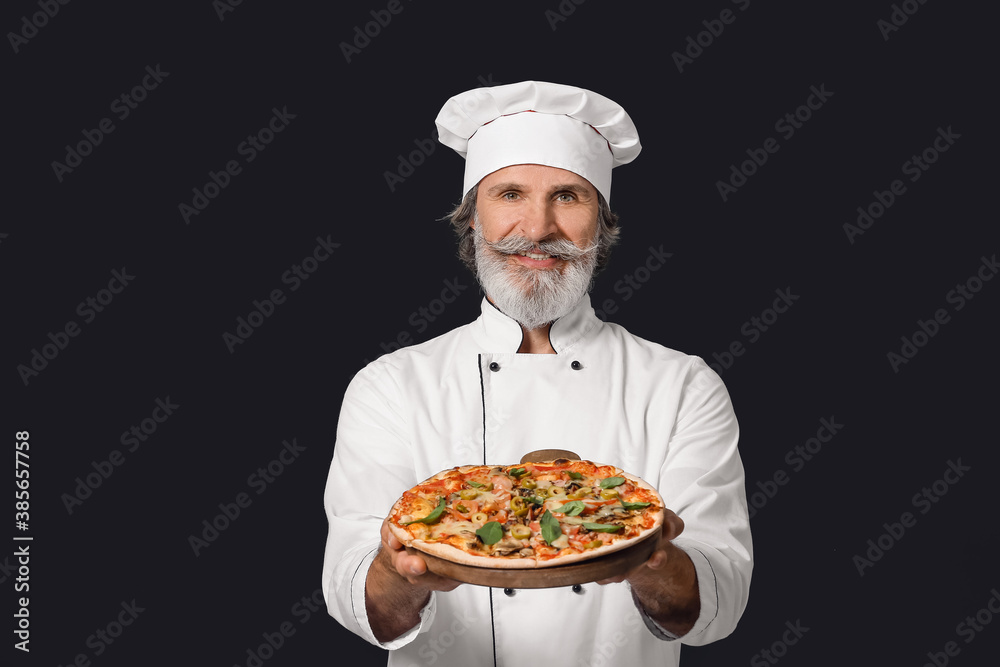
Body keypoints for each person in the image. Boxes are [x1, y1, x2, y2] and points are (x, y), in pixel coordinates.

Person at [323, 80, 752, 667]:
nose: (538, 227)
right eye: (510, 193)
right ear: (473, 218)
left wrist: (655, 558)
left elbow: (718, 603)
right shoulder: (390, 385)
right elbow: (357, 600)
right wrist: (400, 570)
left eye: (568, 197)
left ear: (600, 225)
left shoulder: (682, 384)